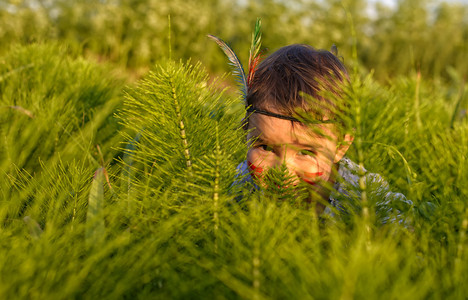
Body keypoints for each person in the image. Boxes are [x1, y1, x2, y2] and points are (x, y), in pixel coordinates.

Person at [233, 44, 412, 221]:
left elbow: (404, 229)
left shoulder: (363, 193)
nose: (283, 171)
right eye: (265, 147)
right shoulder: (242, 183)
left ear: (340, 147)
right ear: (246, 131)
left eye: (305, 152)